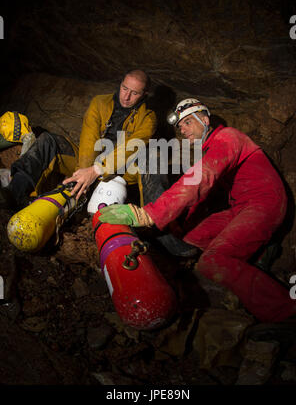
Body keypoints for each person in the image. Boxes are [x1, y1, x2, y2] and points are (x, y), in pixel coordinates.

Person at [98, 97, 296, 324]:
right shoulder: (212, 146)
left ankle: (284, 310)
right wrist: (181, 221)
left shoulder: (228, 137)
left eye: (188, 123)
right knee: (190, 238)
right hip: (240, 208)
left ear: (205, 119)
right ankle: (258, 254)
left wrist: (149, 214)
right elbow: (202, 194)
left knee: (212, 261)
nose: (183, 130)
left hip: (264, 205)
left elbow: (200, 181)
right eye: (180, 127)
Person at [0, 69, 157, 210]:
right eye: (124, 88)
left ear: (144, 95)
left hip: (119, 173)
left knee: (149, 160)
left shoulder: (148, 118)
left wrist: (96, 171)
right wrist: (83, 175)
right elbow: (89, 139)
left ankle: (149, 219)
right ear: (120, 84)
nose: (127, 96)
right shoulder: (100, 102)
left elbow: (131, 148)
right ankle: (14, 193)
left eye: (134, 93)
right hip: (88, 166)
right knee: (48, 141)